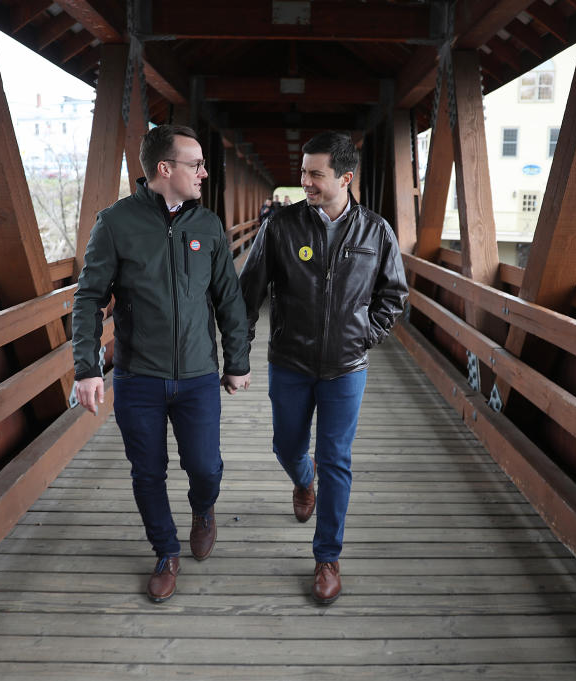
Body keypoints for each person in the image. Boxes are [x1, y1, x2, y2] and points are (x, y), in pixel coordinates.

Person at [71, 124, 251, 603]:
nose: (204, 173)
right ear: (164, 169)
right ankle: (165, 551)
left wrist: (237, 359)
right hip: (138, 376)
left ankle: (203, 509)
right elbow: (88, 298)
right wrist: (87, 368)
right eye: (196, 164)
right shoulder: (115, 223)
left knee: (205, 467)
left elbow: (229, 299)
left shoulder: (208, 225)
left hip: (197, 376)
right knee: (147, 472)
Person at [239, 131, 408, 604]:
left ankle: (327, 557)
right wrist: (238, 352)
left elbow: (393, 297)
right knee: (286, 446)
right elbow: (248, 291)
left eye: (316, 174)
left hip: (346, 369)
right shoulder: (281, 226)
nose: (305, 182)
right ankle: (302, 478)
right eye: (303, 173)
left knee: (338, 459)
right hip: (289, 361)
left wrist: (363, 336)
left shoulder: (376, 232)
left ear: (346, 178)